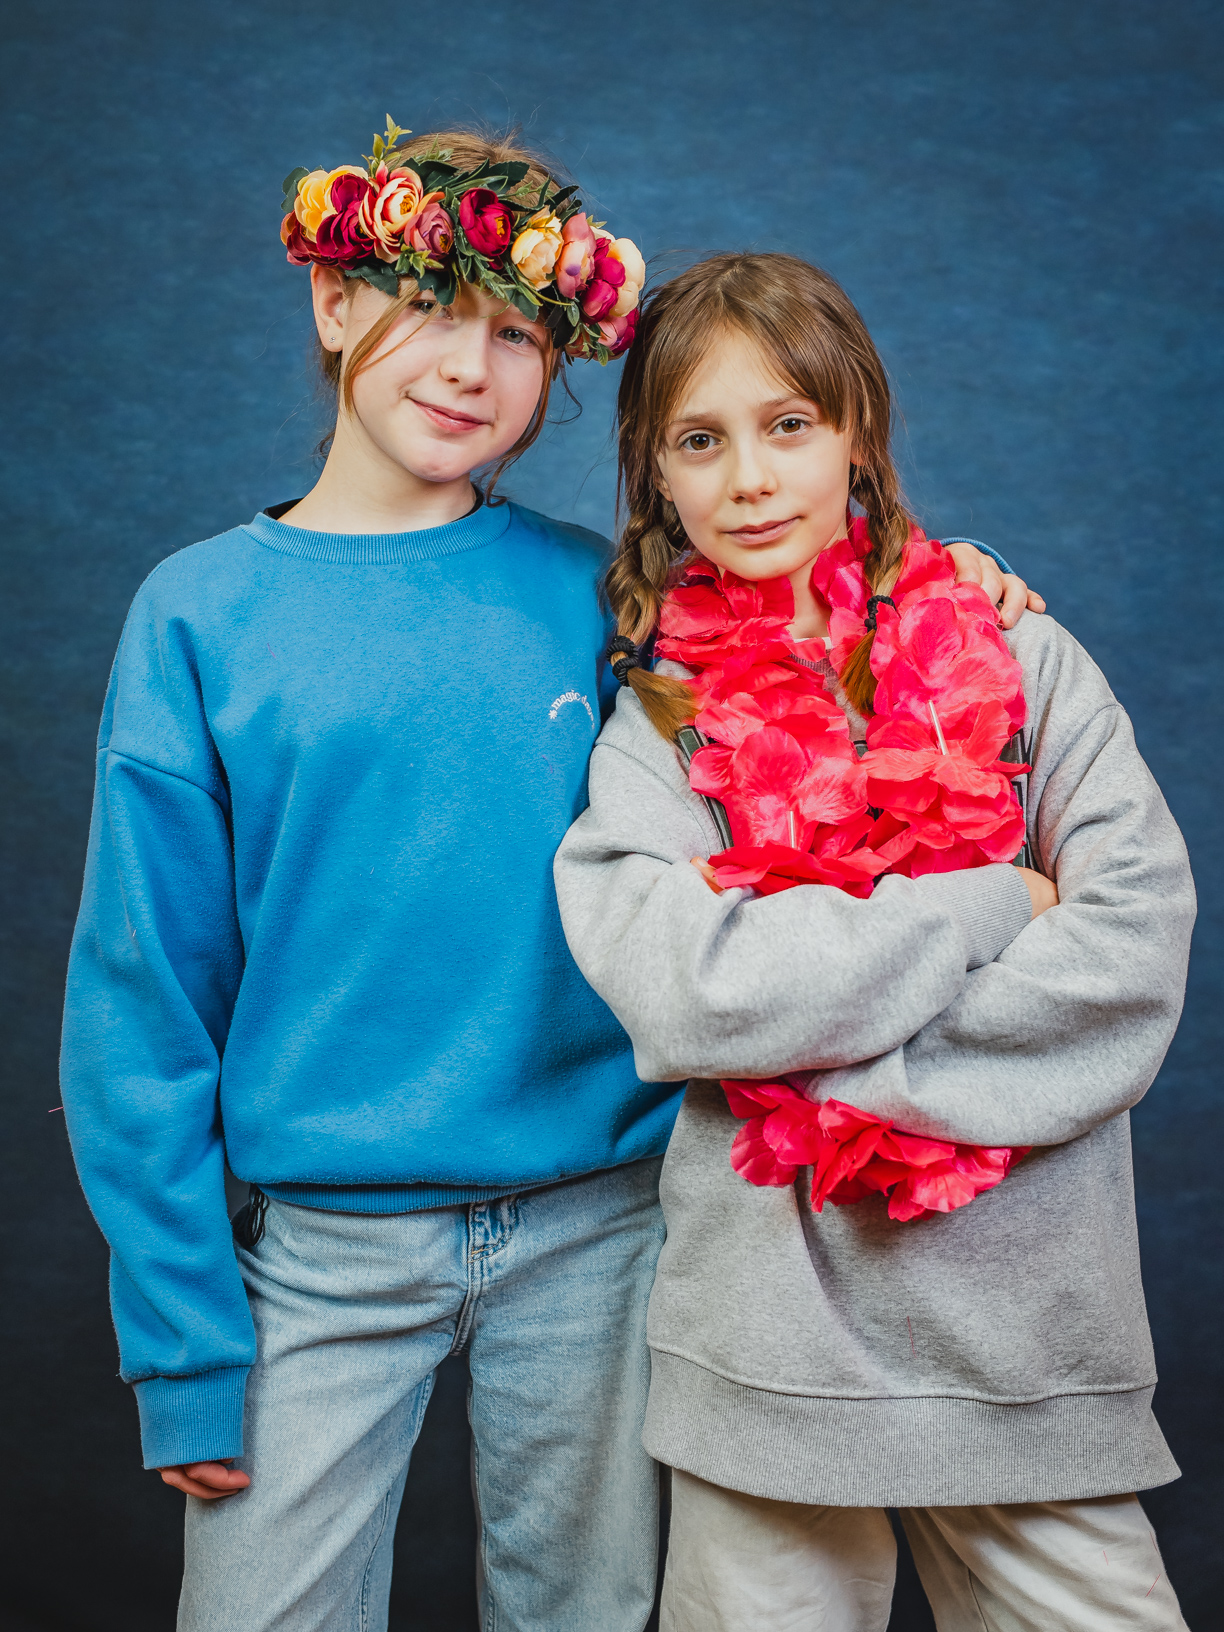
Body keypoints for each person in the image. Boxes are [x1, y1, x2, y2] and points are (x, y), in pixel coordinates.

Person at [61, 119, 1032, 1627]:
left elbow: (805, 634)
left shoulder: (607, 593)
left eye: (516, 335)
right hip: (321, 1247)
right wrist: (182, 1342)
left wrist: (941, 592)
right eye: (429, 308)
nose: (471, 367)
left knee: (583, 1609)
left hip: (605, 1225)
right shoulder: (198, 616)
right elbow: (142, 1003)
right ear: (333, 301)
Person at [553, 252, 1194, 1631]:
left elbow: (1133, 952)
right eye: (700, 441)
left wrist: (827, 1055)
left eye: (789, 424)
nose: (750, 479)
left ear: (857, 431)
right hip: (766, 1347)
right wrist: (989, 907)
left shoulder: (1022, 663)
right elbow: (688, 992)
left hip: (1029, 1343)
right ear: (656, 473)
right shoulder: (658, 730)